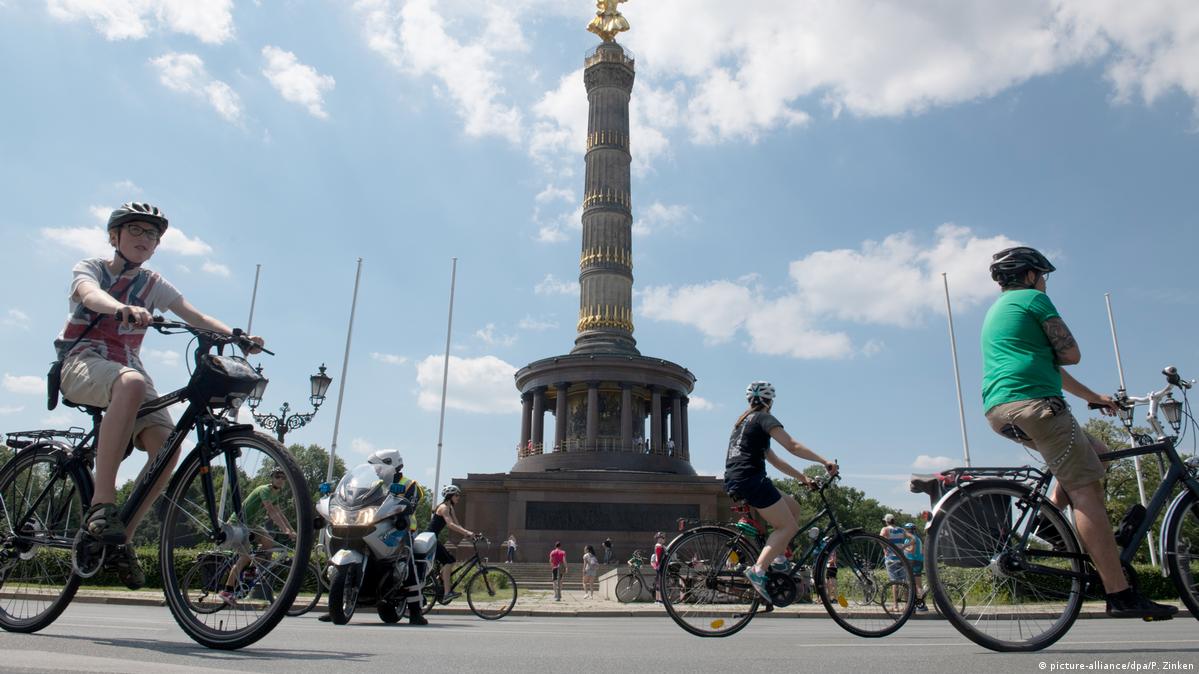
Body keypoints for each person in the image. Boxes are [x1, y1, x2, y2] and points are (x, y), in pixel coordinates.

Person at [55, 202, 263, 590]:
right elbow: (90, 295)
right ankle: (102, 504)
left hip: (129, 367)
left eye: (152, 235)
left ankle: (121, 539)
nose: (144, 239)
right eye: (135, 230)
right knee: (131, 383)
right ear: (114, 236)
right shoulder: (92, 268)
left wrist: (237, 337)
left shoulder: (153, 283)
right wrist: (121, 308)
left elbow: (192, 314)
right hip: (81, 361)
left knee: (169, 447)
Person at [981, 246, 1175, 619]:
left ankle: (1050, 519)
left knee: (1097, 450)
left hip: (1001, 409)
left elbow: (1054, 371)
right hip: (1037, 406)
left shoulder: (999, 311)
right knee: (1087, 491)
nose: (1044, 283)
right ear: (1029, 275)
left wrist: (1095, 397)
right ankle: (1119, 593)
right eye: (1043, 275)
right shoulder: (1033, 301)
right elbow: (1070, 355)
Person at [724, 380, 838, 602]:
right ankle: (758, 570)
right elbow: (792, 445)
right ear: (769, 402)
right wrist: (825, 461)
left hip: (740, 479)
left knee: (794, 508)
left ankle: (778, 559)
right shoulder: (764, 418)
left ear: (750, 400)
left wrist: (803, 478)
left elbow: (775, 460)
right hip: (751, 479)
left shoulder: (743, 422)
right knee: (787, 526)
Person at [219, 469, 297, 604]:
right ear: (271, 479)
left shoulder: (275, 494)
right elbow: (271, 511)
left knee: (269, 542)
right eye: (277, 476)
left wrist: (292, 529)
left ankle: (251, 570)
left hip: (251, 525)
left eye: (283, 477)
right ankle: (227, 590)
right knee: (245, 557)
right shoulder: (264, 490)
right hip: (237, 524)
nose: (280, 479)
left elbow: (280, 513)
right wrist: (285, 530)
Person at [429, 484, 474, 606]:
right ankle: (447, 593)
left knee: (451, 560)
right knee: (448, 562)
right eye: (456, 495)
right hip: (430, 538)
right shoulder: (444, 508)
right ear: (450, 496)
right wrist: (466, 532)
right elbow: (450, 524)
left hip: (433, 538)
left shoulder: (450, 508)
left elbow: (456, 524)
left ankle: (439, 580)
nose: (458, 497)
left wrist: (469, 535)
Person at [879, 514, 909, 610]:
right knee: (904, 582)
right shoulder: (901, 530)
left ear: (886, 521)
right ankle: (907, 605)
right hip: (901, 558)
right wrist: (904, 547)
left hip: (891, 558)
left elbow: (879, 539)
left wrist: (884, 548)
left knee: (894, 582)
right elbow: (912, 538)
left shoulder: (885, 529)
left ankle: (895, 605)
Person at [903, 522, 927, 612]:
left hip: (912, 562)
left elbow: (911, 550)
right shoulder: (918, 539)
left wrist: (903, 547)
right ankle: (922, 604)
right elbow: (922, 551)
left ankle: (911, 605)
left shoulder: (911, 539)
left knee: (910, 584)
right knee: (918, 584)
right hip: (919, 561)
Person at [650, 532, 666, 601]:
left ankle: (658, 599)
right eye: (662, 538)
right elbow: (658, 557)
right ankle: (659, 599)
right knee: (660, 583)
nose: (663, 539)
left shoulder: (661, 546)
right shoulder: (659, 546)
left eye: (663, 538)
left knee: (659, 582)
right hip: (660, 565)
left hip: (660, 565)